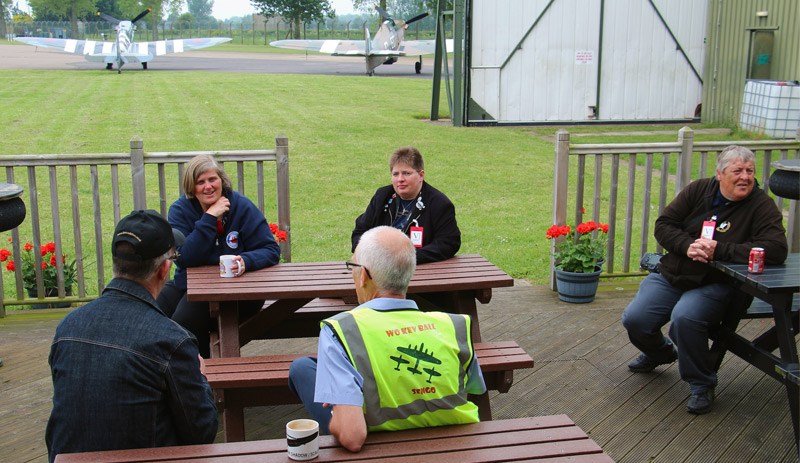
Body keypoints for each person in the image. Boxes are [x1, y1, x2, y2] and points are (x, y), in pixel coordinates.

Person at [622, 145, 788, 415]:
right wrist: (687, 246)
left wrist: (719, 251)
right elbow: (664, 224)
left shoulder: (761, 205)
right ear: (720, 174)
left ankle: (701, 383)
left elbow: (777, 249)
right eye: (737, 171)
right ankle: (660, 353)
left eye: (750, 171)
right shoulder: (699, 190)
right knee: (636, 319)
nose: (745, 177)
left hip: (718, 282)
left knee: (685, 319)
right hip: (675, 272)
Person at [289, 226, 486, 452]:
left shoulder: (340, 330)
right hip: (462, 449)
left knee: (301, 368)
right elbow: (473, 389)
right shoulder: (454, 324)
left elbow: (353, 438)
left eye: (351, 266)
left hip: (379, 448)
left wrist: (336, 407)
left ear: (363, 275)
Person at [45, 210, 218, 462]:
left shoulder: (67, 327)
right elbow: (202, 431)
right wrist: (200, 377)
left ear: (116, 262)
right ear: (164, 269)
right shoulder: (172, 340)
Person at [157, 154, 281, 357]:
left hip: (239, 293)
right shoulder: (180, 210)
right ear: (191, 187)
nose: (208, 187)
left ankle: (203, 377)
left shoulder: (241, 206)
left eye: (212, 179)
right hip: (189, 286)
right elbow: (185, 257)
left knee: (183, 322)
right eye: (200, 182)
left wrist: (246, 262)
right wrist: (209, 218)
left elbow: (271, 250)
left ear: (222, 180)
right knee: (154, 310)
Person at [352, 146, 460, 264]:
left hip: (419, 269)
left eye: (406, 173)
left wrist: (406, 259)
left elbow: (448, 243)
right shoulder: (382, 196)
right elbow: (360, 231)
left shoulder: (439, 204)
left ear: (421, 175)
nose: (400, 179)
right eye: (395, 174)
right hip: (379, 267)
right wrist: (370, 255)